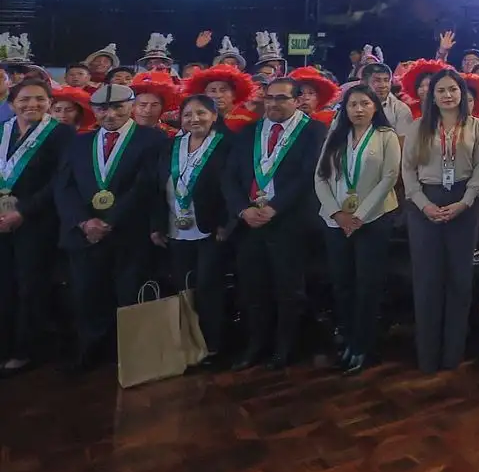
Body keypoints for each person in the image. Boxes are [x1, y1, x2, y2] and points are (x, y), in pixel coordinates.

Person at [56, 82, 165, 370]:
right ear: (93, 110)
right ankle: (91, 351)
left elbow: (147, 186)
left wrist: (109, 221)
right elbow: (63, 186)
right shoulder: (79, 142)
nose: (110, 114)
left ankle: (129, 355)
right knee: (87, 294)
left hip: (130, 233)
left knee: (129, 294)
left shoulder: (152, 139)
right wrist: (84, 221)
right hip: (85, 234)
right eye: (103, 108)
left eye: (118, 107)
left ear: (131, 106)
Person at [222, 77, 323, 370]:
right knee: (253, 289)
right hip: (249, 223)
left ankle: (285, 348)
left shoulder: (312, 131)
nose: (274, 104)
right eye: (269, 98)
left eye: (281, 98)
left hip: (289, 223)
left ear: (296, 100)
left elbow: (308, 176)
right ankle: (256, 345)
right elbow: (229, 176)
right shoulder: (249, 131)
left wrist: (275, 208)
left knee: (288, 289)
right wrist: (243, 210)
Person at [403, 68, 479, 373]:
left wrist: (464, 203)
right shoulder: (418, 128)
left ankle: (453, 355)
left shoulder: (478, 127)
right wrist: (424, 204)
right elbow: (408, 173)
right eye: (441, 91)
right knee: (427, 281)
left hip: (463, 206)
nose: (447, 95)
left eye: (452, 89)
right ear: (432, 96)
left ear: (462, 94)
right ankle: (427, 356)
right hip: (424, 205)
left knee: (459, 282)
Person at [314, 83, 401, 375]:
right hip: (335, 221)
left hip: (373, 220)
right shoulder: (335, 136)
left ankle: (366, 345)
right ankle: (348, 340)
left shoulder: (386, 136)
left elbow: (389, 178)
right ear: (345, 109)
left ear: (375, 106)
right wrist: (338, 213)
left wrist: (359, 216)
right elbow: (320, 178)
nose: (359, 109)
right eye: (353, 105)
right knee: (342, 283)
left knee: (368, 285)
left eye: (364, 103)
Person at [0, 79, 75, 374]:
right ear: (11, 103)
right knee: (4, 286)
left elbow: (59, 180)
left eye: (40, 99)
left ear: (49, 103)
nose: (32, 104)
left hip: (37, 221)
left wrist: (23, 212)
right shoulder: (3, 130)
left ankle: (26, 349)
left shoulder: (61, 134)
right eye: (25, 99)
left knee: (31, 286)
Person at [151, 95, 231, 364]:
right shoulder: (170, 146)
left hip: (211, 229)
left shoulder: (226, 145)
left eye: (201, 113)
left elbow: (233, 188)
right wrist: (156, 225)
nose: (194, 119)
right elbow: (156, 187)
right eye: (187, 115)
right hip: (175, 228)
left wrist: (226, 223)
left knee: (208, 286)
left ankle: (211, 344)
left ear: (214, 116)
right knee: (182, 286)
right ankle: (185, 341)